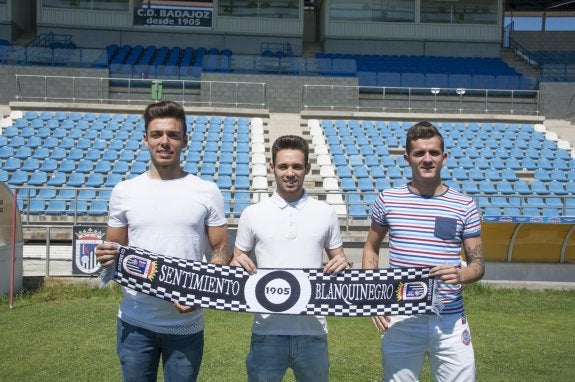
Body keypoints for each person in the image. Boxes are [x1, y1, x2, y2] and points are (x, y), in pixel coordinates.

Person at [95, 100, 229, 382]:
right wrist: (106, 256)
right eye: (157, 134)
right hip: (134, 322)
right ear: (145, 139)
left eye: (173, 135)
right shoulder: (124, 191)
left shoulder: (207, 191)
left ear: (185, 140)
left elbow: (219, 251)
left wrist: (200, 293)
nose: (164, 142)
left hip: (186, 324)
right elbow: (115, 254)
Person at [362, 121, 485, 382]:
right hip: (402, 317)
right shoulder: (388, 200)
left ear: (444, 157)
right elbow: (371, 246)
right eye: (419, 153)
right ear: (408, 158)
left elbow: (477, 265)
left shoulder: (464, 205)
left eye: (434, 153)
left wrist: (461, 275)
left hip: (450, 321)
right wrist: (374, 299)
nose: (427, 159)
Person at [231, 135, 351, 382]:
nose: (290, 173)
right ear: (272, 168)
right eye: (283, 166)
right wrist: (237, 263)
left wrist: (342, 264)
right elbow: (238, 259)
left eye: (297, 166)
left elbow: (340, 260)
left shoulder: (326, 212)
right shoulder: (252, 213)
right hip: (267, 330)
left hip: (313, 330)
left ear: (307, 168)